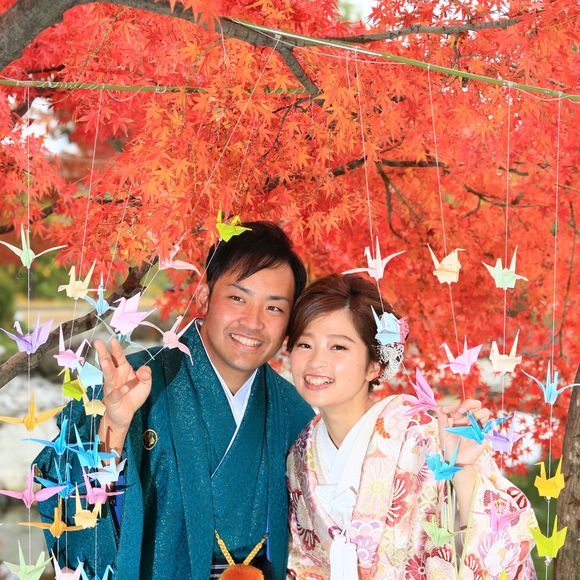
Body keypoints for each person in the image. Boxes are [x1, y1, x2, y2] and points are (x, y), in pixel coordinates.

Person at [34, 222, 314, 579]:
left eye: (274, 308)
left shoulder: (292, 409)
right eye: (238, 298)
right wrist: (114, 429)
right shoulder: (131, 383)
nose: (253, 322)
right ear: (204, 297)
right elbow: (65, 504)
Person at [285, 274, 537, 579]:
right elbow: (302, 563)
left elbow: (501, 543)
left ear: (374, 365)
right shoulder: (299, 456)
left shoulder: (424, 432)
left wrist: (462, 469)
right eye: (305, 344)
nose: (316, 361)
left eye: (337, 347)